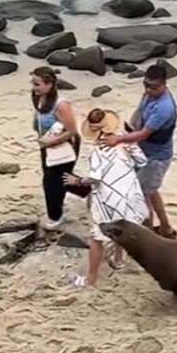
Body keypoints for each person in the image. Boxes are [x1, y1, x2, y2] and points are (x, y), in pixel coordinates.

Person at [64, 109, 148, 288]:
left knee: (97, 237)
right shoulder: (125, 140)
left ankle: (91, 279)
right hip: (129, 191)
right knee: (124, 225)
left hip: (107, 196)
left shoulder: (97, 151)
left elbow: (95, 178)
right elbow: (142, 161)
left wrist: (78, 181)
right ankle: (119, 259)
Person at [100, 65, 177, 239]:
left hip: (156, 158)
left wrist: (118, 140)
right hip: (144, 151)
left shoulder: (164, 108)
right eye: (146, 85)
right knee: (150, 190)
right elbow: (140, 113)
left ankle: (149, 232)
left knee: (141, 194)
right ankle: (165, 228)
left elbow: (144, 134)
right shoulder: (149, 95)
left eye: (154, 87)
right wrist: (128, 128)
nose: (149, 90)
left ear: (164, 84)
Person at [31, 66, 83, 231]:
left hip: (63, 146)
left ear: (49, 84)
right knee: (61, 178)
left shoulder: (61, 105)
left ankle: (55, 217)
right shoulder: (41, 98)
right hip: (47, 145)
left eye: (37, 84)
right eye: (33, 83)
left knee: (51, 182)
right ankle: (88, 190)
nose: (34, 87)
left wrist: (50, 142)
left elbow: (73, 131)